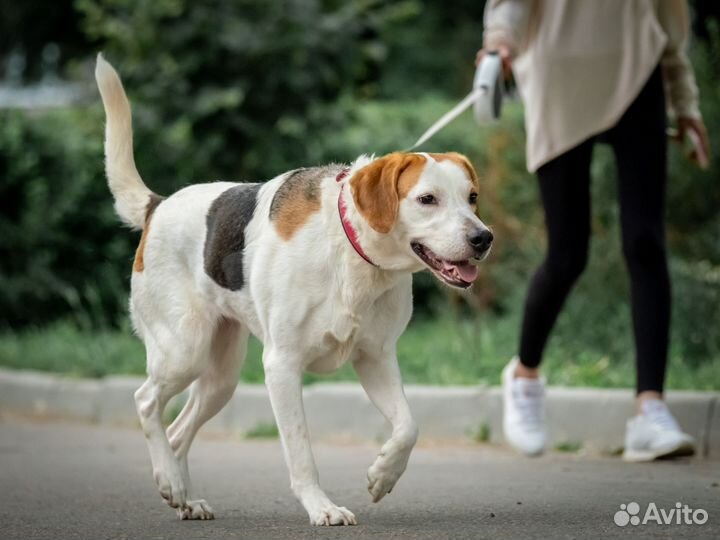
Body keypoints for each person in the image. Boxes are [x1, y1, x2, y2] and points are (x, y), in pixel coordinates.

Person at [477, 0, 711, 461]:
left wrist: (685, 104)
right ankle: (524, 378)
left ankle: (650, 409)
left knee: (645, 242)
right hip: (557, 74)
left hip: (638, 68)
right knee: (567, 255)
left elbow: (668, 23)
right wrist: (499, 42)